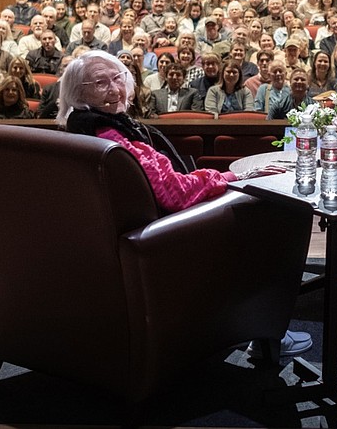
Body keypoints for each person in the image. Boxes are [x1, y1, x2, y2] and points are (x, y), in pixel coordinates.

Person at [58, 51, 312, 357]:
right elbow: (174, 195)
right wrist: (235, 176)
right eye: (100, 83)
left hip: (133, 233)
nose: (114, 89)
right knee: (275, 207)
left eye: (118, 78)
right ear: (78, 92)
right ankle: (267, 333)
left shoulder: (85, 127)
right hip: (167, 234)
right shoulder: (114, 138)